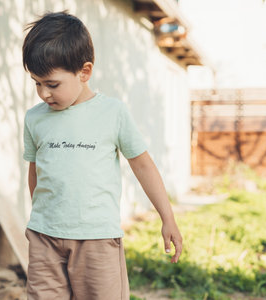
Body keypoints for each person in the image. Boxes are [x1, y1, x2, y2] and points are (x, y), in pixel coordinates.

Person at [22, 11, 182, 300]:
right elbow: (35, 171)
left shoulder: (113, 113)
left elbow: (143, 165)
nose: (43, 93)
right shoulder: (34, 119)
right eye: (36, 82)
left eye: (52, 84)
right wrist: (42, 216)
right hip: (44, 237)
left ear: (84, 72)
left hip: (96, 239)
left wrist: (167, 217)